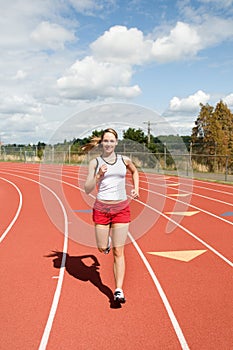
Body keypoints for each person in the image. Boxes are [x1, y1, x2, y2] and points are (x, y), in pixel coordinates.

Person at [83, 128, 139, 304]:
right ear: (101, 143)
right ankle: (104, 243)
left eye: (111, 141)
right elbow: (87, 188)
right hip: (101, 209)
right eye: (105, 141)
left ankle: (118, 290)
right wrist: (99, 175)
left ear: (116, 143)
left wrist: (136, 188)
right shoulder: (95, 162)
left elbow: (135, 171)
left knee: (118, 251)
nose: (108, 144)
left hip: (121, 209)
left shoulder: (124, 160)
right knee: (102, 247)